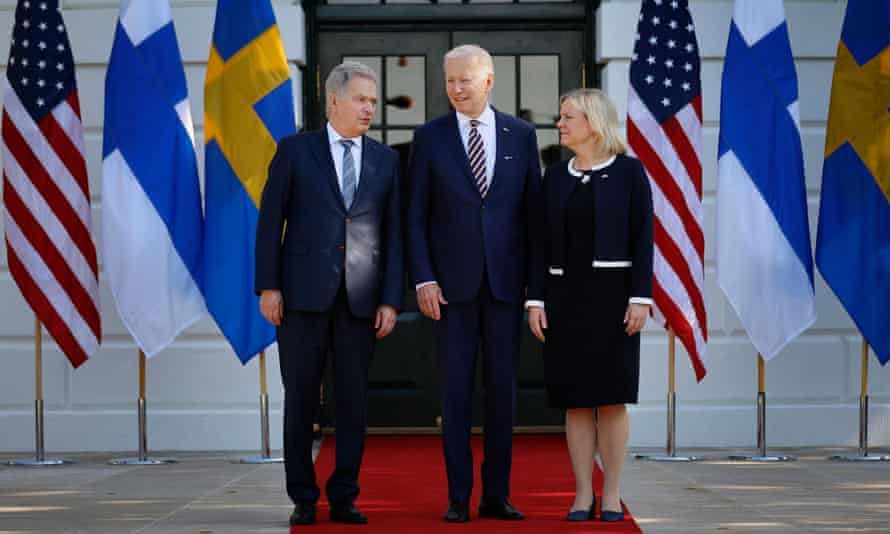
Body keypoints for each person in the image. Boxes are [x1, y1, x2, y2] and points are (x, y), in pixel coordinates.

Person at [255, 61, 403, 527]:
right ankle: (303, 495)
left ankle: (345, 495)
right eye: (361, 100)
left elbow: (393, 233)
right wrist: (268, 286)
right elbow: (268, 224)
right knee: (300, 398)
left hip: (360, 300)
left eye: (373, 102)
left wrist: (390, 299)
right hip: (300, 298)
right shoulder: (295, 151)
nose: (369, 109)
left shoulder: (386, 159)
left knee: (353, 402)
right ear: (334, 100)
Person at [406, 44, 542, 522]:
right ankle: (458, 496)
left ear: (489, 81)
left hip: (507, 290)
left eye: (465, 80)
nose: (456, 89)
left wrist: (536, 290)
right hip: (450, 292)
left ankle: (497, 495)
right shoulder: (429, 138)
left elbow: (533, 219)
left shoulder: (522, 136)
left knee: (502, 395)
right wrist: (423, 277)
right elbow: (415, 217)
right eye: (450, 81)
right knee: (456, 394)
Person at [526, 88, 653, 522]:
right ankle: (583, 494)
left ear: (593, 122)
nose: (559, 124)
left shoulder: (630, 174)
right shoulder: (555, 177)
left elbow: (643, 239)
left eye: (568, 117)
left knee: (612, 399)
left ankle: (612, 494)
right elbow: (539, 245)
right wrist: (535, 299)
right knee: (576, 400)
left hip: (614, 300)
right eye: (560, 117)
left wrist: (640, 298)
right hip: (563, 299)